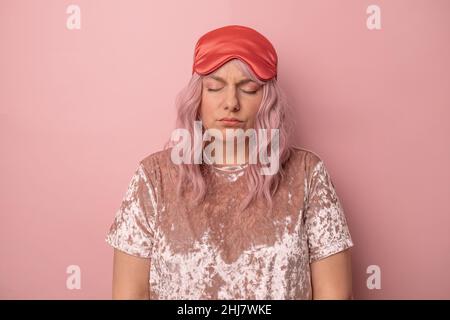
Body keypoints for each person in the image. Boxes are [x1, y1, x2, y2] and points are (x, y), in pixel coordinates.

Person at [105, 25, 354, 300]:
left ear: (267, 100)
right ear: (196, 96)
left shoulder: (307, 174)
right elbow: (130, 294)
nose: (231, 103)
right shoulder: (154, 178)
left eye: (248, 89)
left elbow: (335, 295)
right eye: (214, 87)